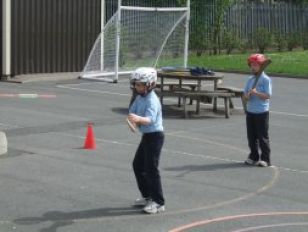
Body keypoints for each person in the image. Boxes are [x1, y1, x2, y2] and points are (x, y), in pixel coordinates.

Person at [127, 67, 165, 214]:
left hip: (155, 137)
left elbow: (149, 120)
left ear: (150, 84)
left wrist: (138, 120)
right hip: (147, 137)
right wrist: (133, 121)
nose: (137, 87)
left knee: (151, 169)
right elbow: (133, 112)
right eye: (136, 84)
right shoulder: (139, 97)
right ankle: (147, 196)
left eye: (140, 84)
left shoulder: (152, 100)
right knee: (137, 165)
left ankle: (159, 202)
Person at [243, 54, 272, 167]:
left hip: (261, 112)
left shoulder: (265, 79)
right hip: (250, 112)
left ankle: (265, 159)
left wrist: (256, 93)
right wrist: (247, 96)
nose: (253, 67)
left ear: (261, 66)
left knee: (262, 137)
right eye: (251, 65)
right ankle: (253, 156)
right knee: (251, 137)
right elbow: (245, 94)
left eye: (255, 65)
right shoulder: (250, 79)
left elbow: (267, 95)